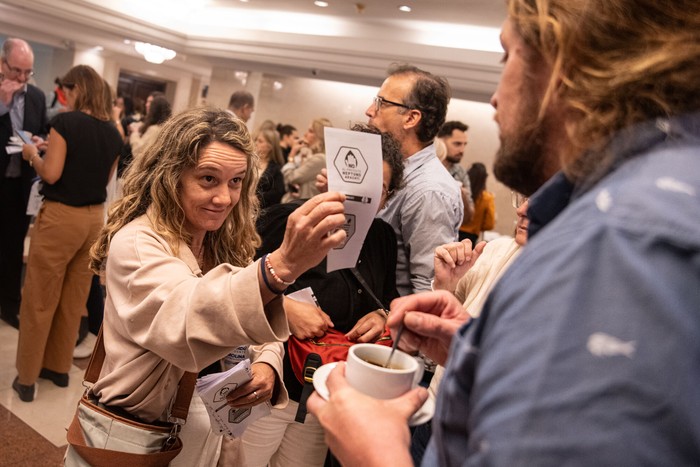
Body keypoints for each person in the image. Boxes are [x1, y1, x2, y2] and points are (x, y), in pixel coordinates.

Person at [308, 0, 700, 464]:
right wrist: (486, 352)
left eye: (507, 56)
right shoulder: (642, 208)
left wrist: (374, 453)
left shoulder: (618, 241)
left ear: (565, 65)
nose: (494, 97)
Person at [74, 107, 347, 466]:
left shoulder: (220, 241)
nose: (224, 198)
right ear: (171, 177)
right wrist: (282, 265)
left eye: (236, 181)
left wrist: (266, 363)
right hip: (140, 433)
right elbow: (190, 317)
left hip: (207, 428)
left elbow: (252, 314)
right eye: (208, 179)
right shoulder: (138, 243)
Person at [239, 124, 404, 467]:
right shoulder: (286, 220)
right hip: (268, 383)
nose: (363, 198)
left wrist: (381, 316)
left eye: (379, 191)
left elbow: (387, 298)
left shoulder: (383, 237)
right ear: (330, 177)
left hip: (323, 393)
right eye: (354, 183)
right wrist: (283, 307)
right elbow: (232, 284)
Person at [13, 65, 122, 402]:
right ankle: (59, 369)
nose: (64, 96)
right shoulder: (114, 133)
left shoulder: (65, 123)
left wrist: (33, 154)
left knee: (39, 298)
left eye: (66, 90)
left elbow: (53, 174)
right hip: (92, 220)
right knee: (73, 298)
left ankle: (28, 377)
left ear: (77, 89)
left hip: (60, 218)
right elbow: (104, 180)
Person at [410, 195, 529, 464]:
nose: (522, 209)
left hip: (480, 440)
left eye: (540, 198)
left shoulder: (566, 280)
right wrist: (446, 286)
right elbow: (450, 321)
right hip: (434, 416)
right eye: (524, 195)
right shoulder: (497, 249)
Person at [366, 63, 463, 295]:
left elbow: (428, 289)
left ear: (411, 118)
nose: (369, 110)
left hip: (389, 325)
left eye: (381, 103)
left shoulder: (428, 192)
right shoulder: (391, 170)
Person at [0, 38, 49, 329]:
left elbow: (41, 127)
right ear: (2, 65)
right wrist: (3, 105)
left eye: (26, 72)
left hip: (20, 184)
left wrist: (39, 140)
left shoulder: (37, 96)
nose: (20, 78)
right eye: (16, 70)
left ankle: (8, 304)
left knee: (13, 245)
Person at [281, 118, 332, 202]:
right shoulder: (315, 157)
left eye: (310, 131)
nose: (305, 134)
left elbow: (290, 178)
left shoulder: (319, 159)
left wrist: (292, 155)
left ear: (320, 136)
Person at [437, 120, 474, 225]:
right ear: (440, 141)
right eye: (457, 144)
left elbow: (468, 219)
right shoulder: (426, 167)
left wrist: (462, 196)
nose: (462, 150)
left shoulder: (461, 173)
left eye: (464, 144)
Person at [459, 162, 495, 243]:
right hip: (471, 237)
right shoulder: (487, 198)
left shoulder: (461, 192)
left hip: (454, 231)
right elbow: (490, 224)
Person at [129, 94, 172, 159]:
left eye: (150, 103)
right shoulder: (166, 128)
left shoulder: (154, 129)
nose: (147, 105)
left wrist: (135, 133)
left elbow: (138, 152)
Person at [254, 128, 285, 209]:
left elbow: (276, 194)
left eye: (260, 141)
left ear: (270, 146)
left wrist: (257, 199)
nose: (256, 143)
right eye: (256, 140)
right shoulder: (249, 161)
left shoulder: (276, 169)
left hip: (260, 210)